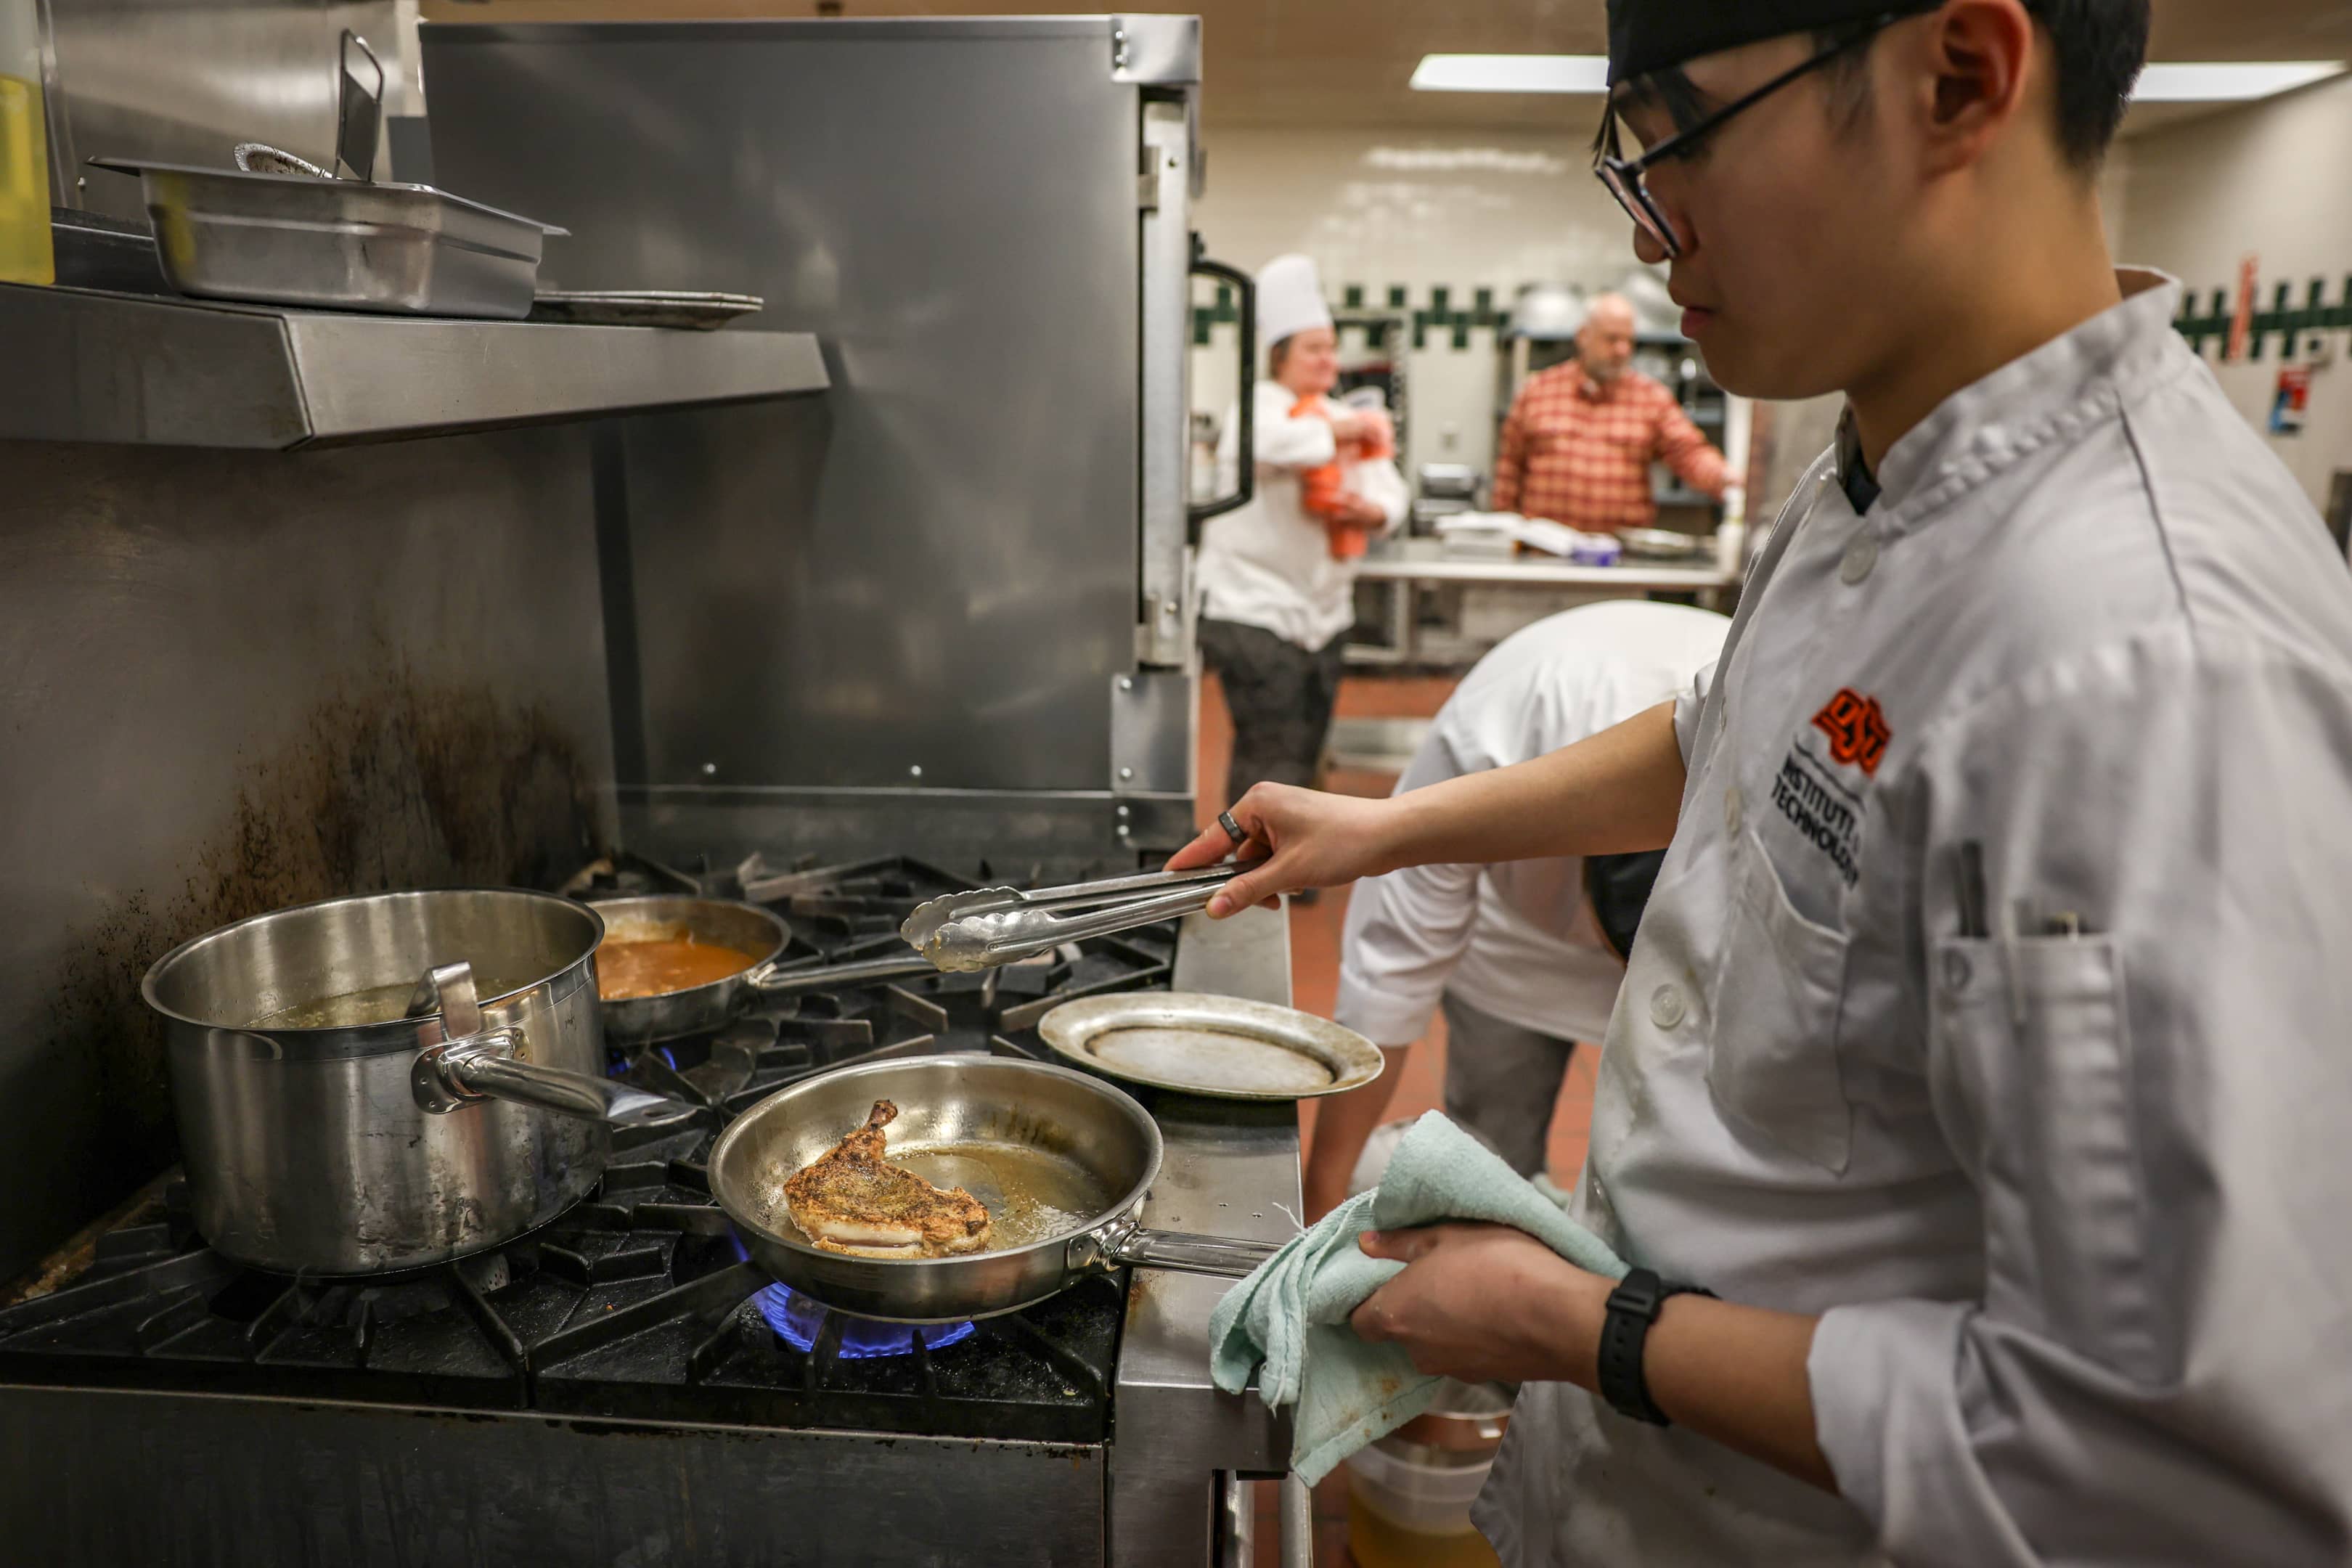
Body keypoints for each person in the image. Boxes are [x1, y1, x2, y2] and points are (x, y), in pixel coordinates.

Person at [1169, 1, 2352, 1563]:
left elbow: (2153, 1458)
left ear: (1960, 78)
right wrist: (1392, 829)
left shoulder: (2140, 658)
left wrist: (1576, 1323)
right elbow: (1727, 738)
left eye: (1681, 130)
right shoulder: (1884, 473)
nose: (1654, 223)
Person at [1305, 601, 1730, 1220]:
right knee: (1486, 1158)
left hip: (1717, 961)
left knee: (1678, 1183)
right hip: (1510, 941)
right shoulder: (1501, 732)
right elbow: (1387, 980)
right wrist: (1318, 1201)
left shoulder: (1765, 757)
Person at [1196, 254, 1410, 813]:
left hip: (1324, 615)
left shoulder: (1340, 415)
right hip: (1254, 607)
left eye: (1332, 348)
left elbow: (1391, 490)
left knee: (1309, 744)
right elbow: (1265, 446)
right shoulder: (1258, 408)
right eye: (1313, 349)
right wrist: (1340, 428)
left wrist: (1373, 511)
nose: (1328, 360)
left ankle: (1299, 859)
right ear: (1279, 356)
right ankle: (1245, 875)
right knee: (1269, 749)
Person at [1491, 291, 1729, 533]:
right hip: (1545, 553)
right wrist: (1504, 534)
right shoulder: (1537, 391)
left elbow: (1689, 453)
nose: (1622, 350)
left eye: (1629, 341)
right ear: (1583, 337)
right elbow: (1508, 472)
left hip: (1619, 557)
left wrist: (1729, 481)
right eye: (1612, 339)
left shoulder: (1650, 398)